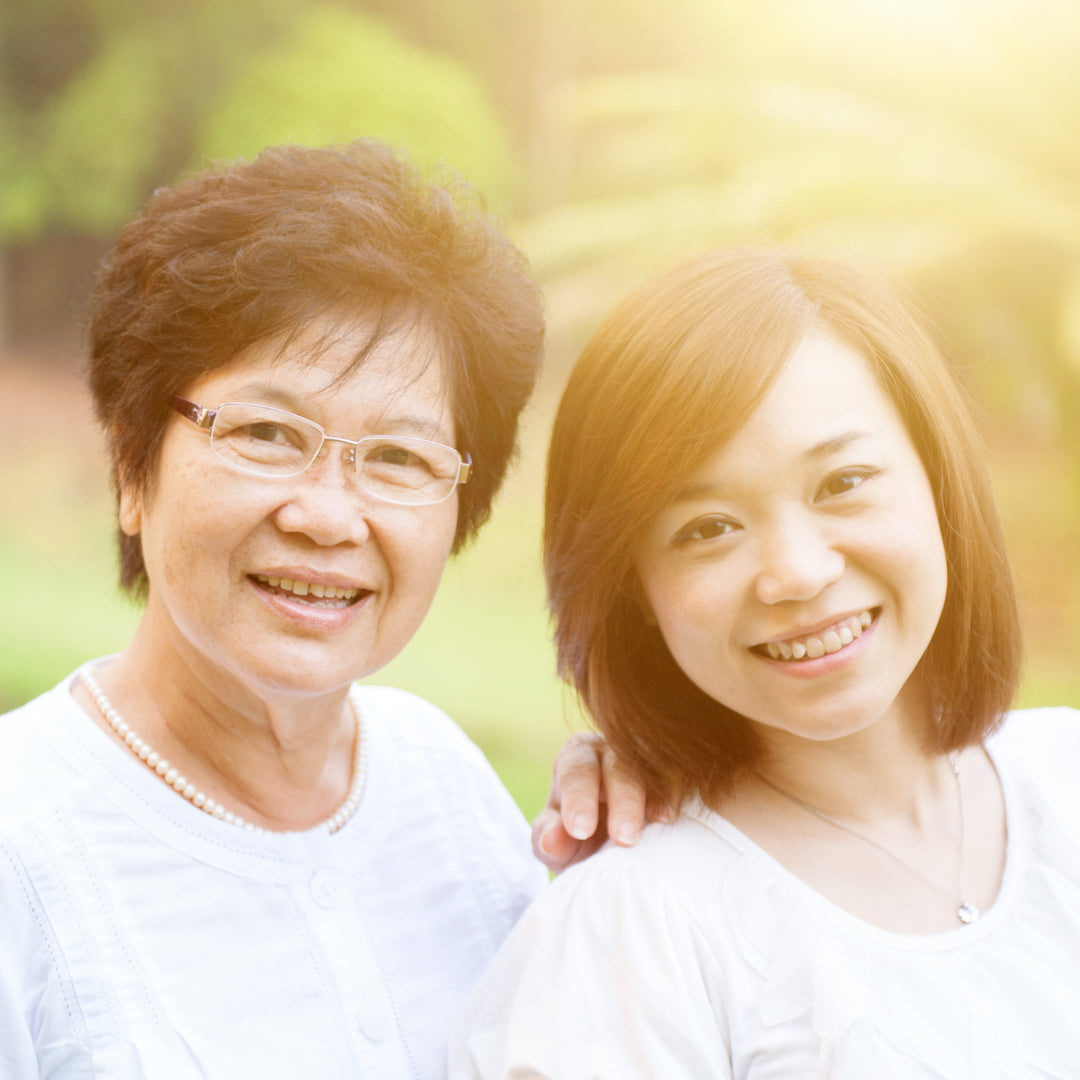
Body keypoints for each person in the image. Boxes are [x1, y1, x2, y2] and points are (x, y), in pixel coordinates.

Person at [0, 139, 646, 1079]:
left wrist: (635, 857)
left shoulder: (447, 786)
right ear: (131, 467)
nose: (330, 516)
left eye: (399, 457)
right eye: (266, 433)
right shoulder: (21, 839)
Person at [452, 247, 1080, 1077]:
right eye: (707, 528)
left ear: (939, 476)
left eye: (844, 481)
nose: (797, 573)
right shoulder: (633, 931)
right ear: (633, 589)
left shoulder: (1063, 774)